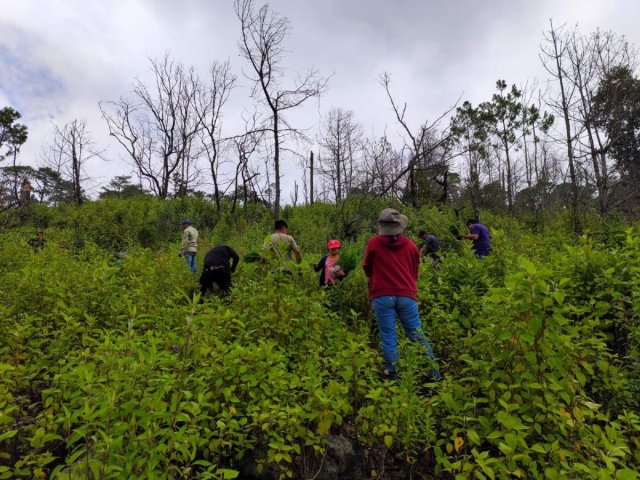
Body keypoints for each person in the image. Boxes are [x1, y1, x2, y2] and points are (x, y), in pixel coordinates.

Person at [363, 209, 440, 380]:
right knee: (417, 335)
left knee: (389, 337)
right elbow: (415, 270)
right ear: (400, 227)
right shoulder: (411, 245)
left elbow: (367, 267)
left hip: (382, 295)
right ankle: (434, 374)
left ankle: (394, 375)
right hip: (406, 295)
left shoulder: (373, 243)